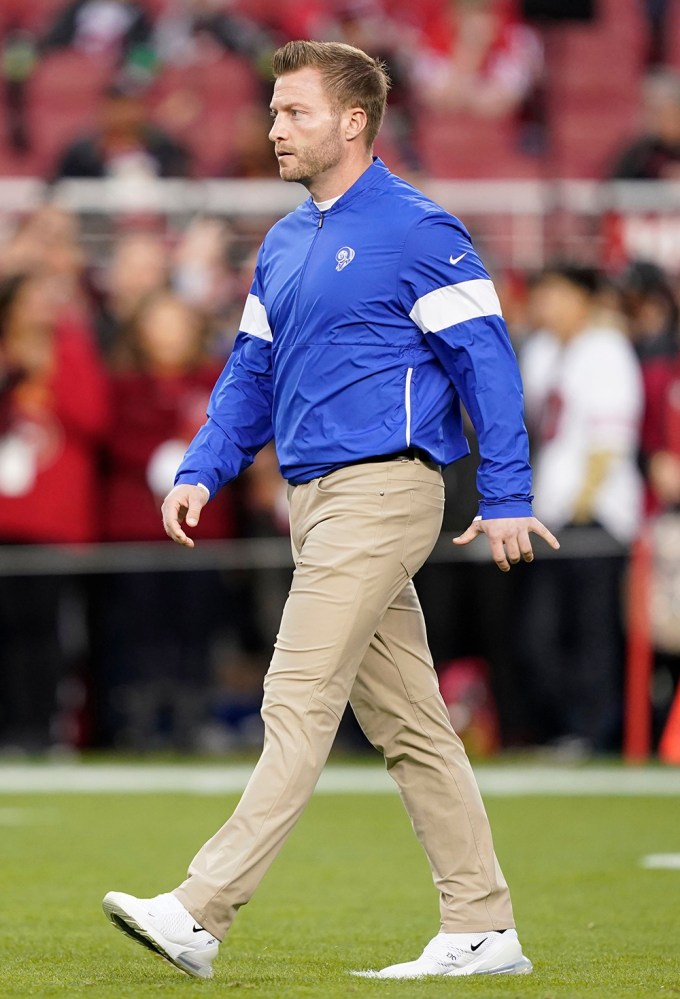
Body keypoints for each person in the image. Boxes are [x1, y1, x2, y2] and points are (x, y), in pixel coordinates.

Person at [102, 39, 558, 981]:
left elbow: (490, 363)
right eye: (273, 111)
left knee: (296, 694)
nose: (274, 127)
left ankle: (199, 910)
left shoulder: (420, 229)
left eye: (294, 111)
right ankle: (483, 925)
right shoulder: (283, 240)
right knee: (413, 727)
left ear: (354, 121)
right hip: (314, 501)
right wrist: (203, 465)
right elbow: (250, 375)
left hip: (386, 491)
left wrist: (509, 494)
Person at [519, 265, 643, 751]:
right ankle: (560, 727)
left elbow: (608, 441)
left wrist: (583, 509)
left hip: (593, 517)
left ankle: (592, 731)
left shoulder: (606, 350)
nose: (545, 305)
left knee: (590, 632)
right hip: (549, 514)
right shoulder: (543, 352)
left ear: (582, 299)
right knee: (541, 634)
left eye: (555, 294)